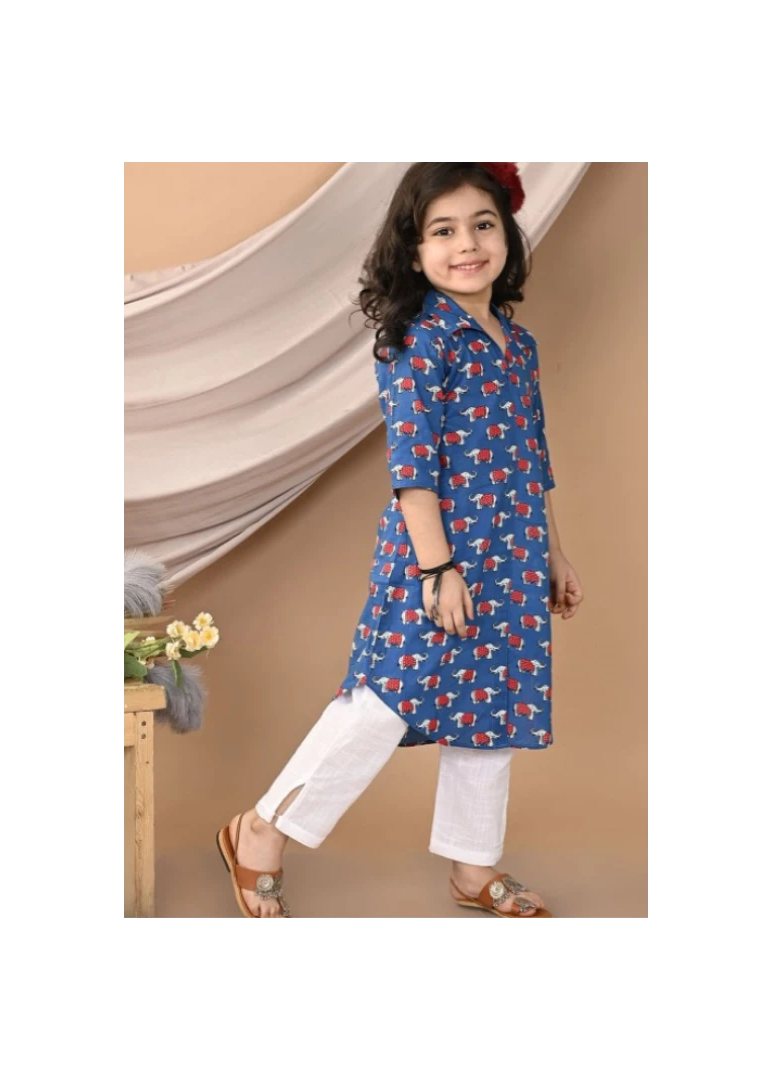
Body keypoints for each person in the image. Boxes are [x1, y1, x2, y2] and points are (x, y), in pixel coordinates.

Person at [217, 161, 585, 919]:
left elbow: (533, 458)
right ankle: (261, 828)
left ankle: (473, 867)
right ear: (414, 252)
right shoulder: (419, 341)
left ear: (507, 237)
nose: (466, 244)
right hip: (437, 554)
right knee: (384, 700)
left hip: (513, 556)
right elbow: (412, 470)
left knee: (493, 706)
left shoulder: (517, 345)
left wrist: (553, 551)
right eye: (442, 231)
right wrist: (437, 567)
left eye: (482, 225)